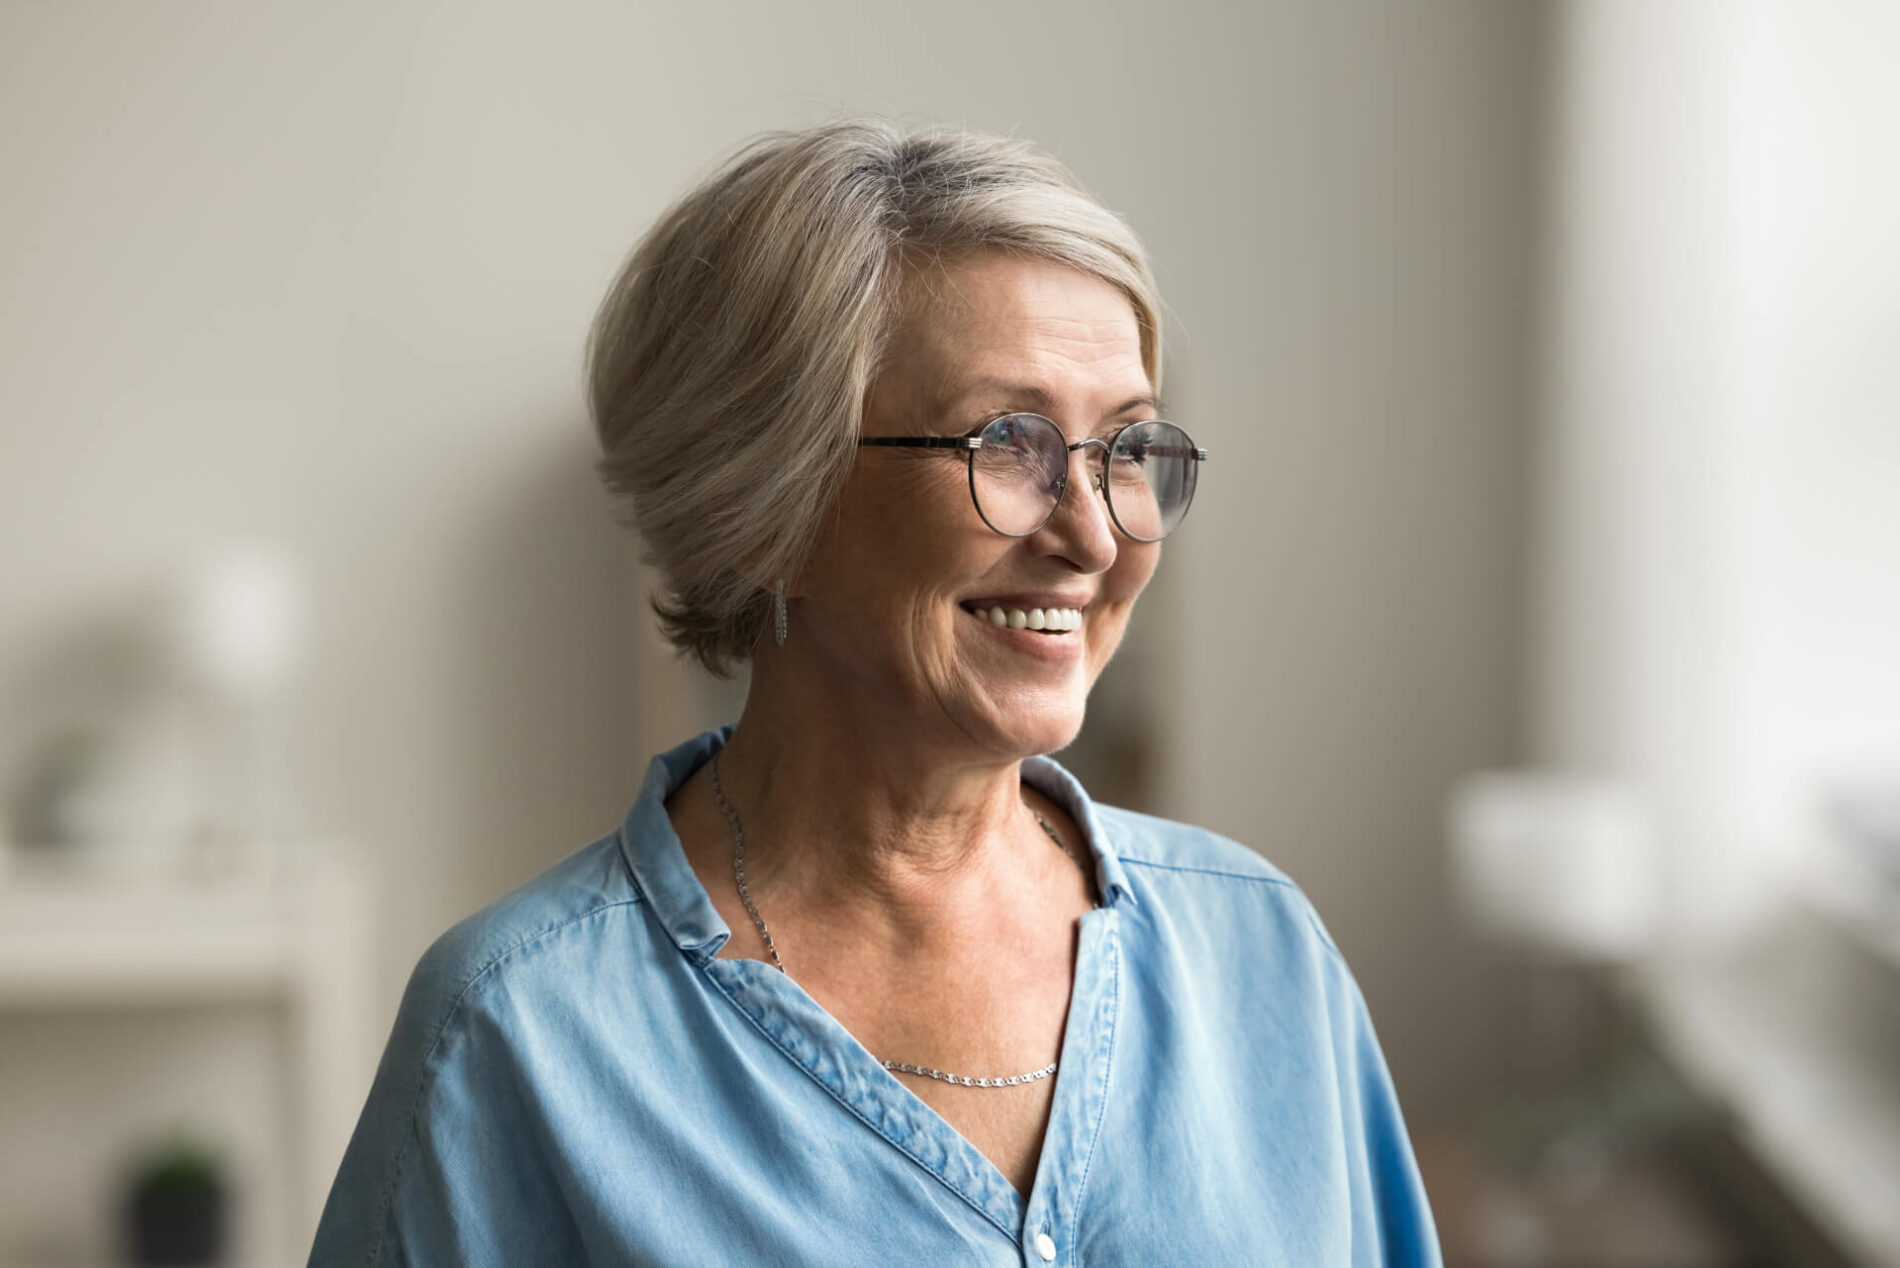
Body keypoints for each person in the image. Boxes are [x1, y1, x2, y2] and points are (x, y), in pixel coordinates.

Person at [309, 119, 1441, 1267]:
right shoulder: (518, 1034)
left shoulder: (1259, 947)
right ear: (772, 505)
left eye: (1126, 448)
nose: (1095, 536)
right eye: (1011, 442)